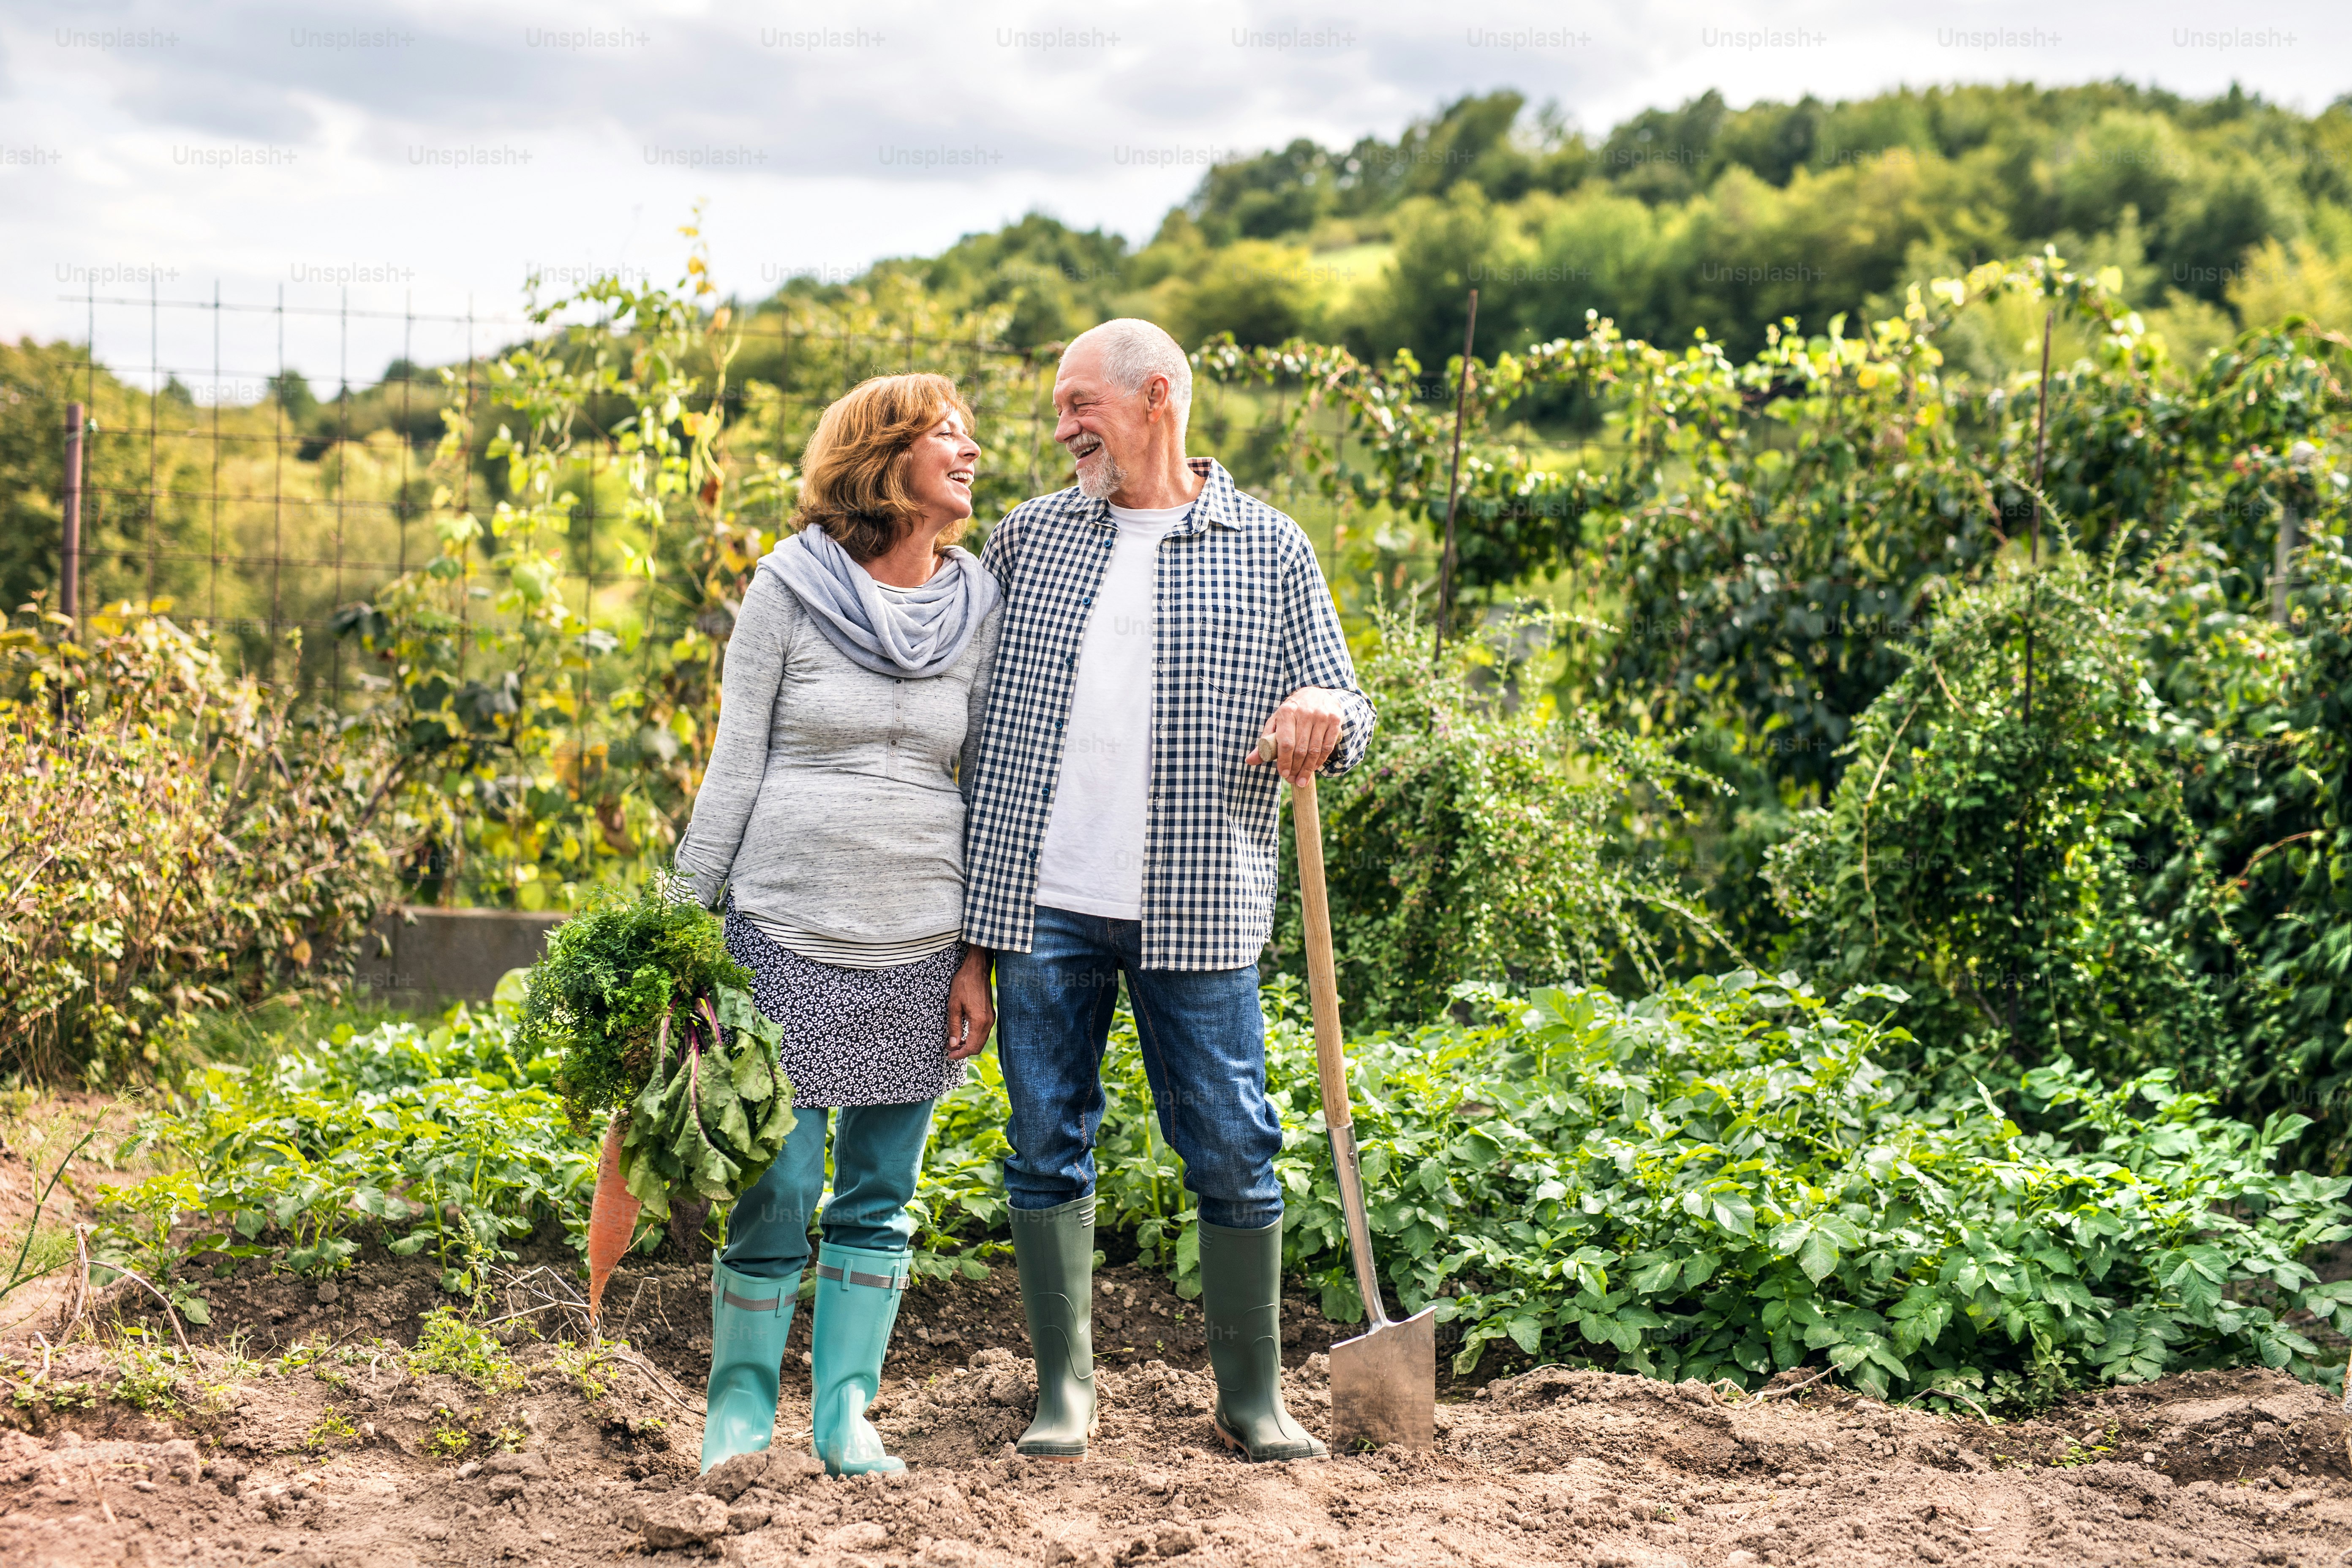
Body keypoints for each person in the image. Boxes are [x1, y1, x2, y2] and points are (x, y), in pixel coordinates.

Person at [948, 318, 1376, 1463]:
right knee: (1046, 1139)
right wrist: (969, 945)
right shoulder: (1030, 539)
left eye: (1081, 402)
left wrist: (1328, 716)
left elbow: (1346, 703)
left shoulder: (1269, 546)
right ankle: (1064, 1397)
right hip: (1043, 901)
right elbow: (972, 719)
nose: (1063, 427)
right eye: (1058, 408)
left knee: (1233, 1145)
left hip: (1201, 900)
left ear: (1155, 397)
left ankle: (1253, 1402)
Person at [674, 373, 1003, 1478]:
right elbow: (734, 764)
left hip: (919, 934)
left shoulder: (977, 603)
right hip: (784, 926)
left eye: (967, 433)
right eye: (944, 433)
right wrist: (680, 936)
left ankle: (846, 1414)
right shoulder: (790, 585)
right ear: (884, 455)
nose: (970, 448)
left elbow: (993, 781)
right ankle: (740, 1413)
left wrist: (976, 954)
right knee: (777, 1176)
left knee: (880, 1191)